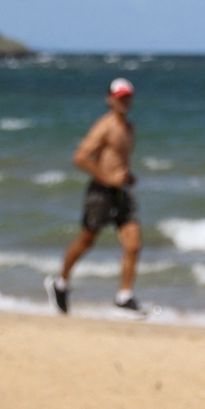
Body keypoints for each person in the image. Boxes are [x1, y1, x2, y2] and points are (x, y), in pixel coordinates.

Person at [45, 78, 144, 314]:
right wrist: (107, 178)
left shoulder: (129, 128)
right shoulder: (105, 126)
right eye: (120, 97)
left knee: (134, 244)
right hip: (100, 192)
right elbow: (80, 157)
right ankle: (60, 283)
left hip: (121, 192)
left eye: (127, 97)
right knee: (86, 241)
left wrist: (126, 177)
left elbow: (118, 160)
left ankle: (124, 296)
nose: (124, 102)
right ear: (110, 99)